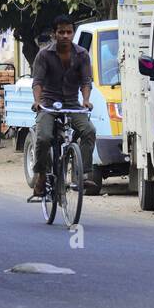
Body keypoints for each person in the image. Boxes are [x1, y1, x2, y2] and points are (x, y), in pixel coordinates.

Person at [29, 15, 96, 198]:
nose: (65, 35)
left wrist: (86, 100)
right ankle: (42, 175)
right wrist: (37, 101)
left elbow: (86, 82)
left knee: (89, 130)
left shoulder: (82, 54)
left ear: (73, 33)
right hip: (48, 105)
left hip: (72, 104)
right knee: (43, 138)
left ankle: (81, 174)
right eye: (61, 32)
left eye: (69, 32)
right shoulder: (44, 55)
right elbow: (38, 82)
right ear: (54, 34)